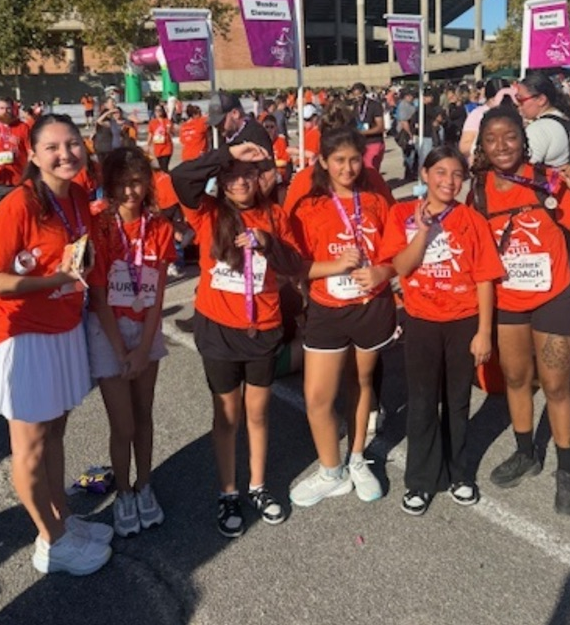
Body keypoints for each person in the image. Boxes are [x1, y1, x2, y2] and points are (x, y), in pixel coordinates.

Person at [0, 113, 112, 576]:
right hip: (23, 337)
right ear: (31, 155)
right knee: (30, 445)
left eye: (72, 143)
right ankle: (49, 541)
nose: (65, 153)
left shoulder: (76, 196)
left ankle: (64, 520)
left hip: (63, 328)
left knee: (55, 432)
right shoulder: (18, 205)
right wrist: (53, 279)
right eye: (52, 147)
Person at [468, 107, 570, 515]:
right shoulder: (479, 189)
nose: (501, 146)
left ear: (522, 140)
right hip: (509, 304)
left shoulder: (547, 180)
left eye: (509, 137)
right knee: (516, 379)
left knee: (557, 386)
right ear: (483, 146)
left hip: (554, 299)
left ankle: (568, 469)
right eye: (491, 139)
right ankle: (526, 451)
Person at [171, 139, 304, 538]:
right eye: (231, 174)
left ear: (261, 177)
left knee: (258, 413)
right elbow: (180, 177)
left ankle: (258, 486)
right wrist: (225, 156)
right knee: (226, 417)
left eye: (249, 173)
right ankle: (228, 491)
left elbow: (296, 263)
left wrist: (267, 242)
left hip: (261, 328)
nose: (240, 181)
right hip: (217, 329)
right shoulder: (208, 213)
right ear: (220, 178)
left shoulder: (275, 215)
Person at [379, 146, 504, 516]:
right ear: (424, 174)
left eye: (456, 175)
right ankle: (420, 480)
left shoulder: (472, 220)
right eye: (441, 172)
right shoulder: (402, 214)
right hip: (420, 321)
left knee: (457, 401)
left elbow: (485, 279)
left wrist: (484, 332)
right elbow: (399, 266)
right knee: (421, 403)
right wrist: (422, 233)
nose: (449, 181)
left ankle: (458, 473)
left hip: (463, 321)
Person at [288, 125, 396, 509]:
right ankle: (331, 471)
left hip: (371, 307)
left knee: (361, 382)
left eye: (354, 159)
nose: (348, 168)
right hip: (327, 311)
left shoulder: (377, 201)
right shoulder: (309, 206)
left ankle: (355, 458)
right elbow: (296, 265)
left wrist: (382, 271)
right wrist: (333, 265)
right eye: (339, 160)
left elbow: (394, 254)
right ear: (323, 162)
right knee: (317, 397)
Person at [87, 146, 175, 537]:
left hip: (146, 331)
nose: (129, 191)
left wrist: (142, 348)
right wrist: (122, 351)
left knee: (144, 415)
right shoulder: (99, 226)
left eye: (136, 181)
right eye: (120, 184)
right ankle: (122, 492)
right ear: (109, 186)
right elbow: (99, 292)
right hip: (108, 332)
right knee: (121, 424)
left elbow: (157, 294)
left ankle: (144, 486)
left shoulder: (160, 229)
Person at [515, 71, 570, 168]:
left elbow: (525, 170)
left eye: (521, 100)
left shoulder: (539, 129)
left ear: (541, 100)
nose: (518, 105)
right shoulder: (563, 118)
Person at [207, 90, 272, 153]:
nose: (217, 125)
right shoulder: (220, 137)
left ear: (235, 114)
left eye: (221, 121)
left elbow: (265, 161)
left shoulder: (256, 135)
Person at [349, 82, 386, 171]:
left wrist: (362, 132)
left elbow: (380, 127)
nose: (357, 98)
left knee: (370, 168)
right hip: (360, 143)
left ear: (364, 93)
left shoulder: (375, 105)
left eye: (359, 95)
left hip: (374, 142)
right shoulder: (355, 106)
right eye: (355, 96)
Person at [145, 102, 175, 172]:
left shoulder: (167, 121)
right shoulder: (152, 122)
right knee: (161, 167)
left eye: (159, 110)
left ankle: (166, 180)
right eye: (156, 110)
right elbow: (150, 134)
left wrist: (169, 130)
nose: (158, 112)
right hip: (157, 147)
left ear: (162, 111)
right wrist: (148, 145)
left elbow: (172, 133)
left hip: (167, 146)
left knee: (164, 167)